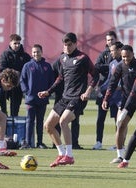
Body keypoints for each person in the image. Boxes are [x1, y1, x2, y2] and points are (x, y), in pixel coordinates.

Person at [38, 32, 99, 167]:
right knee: (48, 126)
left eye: (69, 45)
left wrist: (88, 92)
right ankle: (61, 154)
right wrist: (48, 92)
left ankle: (69, 156)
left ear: (75, 43)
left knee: (63, 121)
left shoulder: (83, 58)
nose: (67, 48)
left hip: (78, 98)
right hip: (65, 97)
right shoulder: (62, 58)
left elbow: (96, 76)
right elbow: (60, 78)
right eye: (65, 45)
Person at [20, 44, 54, 149]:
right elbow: (22, 80)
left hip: (42, 99)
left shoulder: (47, 66)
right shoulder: (27, 66)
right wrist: (26, 91)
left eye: (38, 51)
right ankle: (28, 143)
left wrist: (48, 92)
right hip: (30, 99)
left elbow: (51, 81)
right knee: (30, 121)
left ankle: (39, 142)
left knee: (40, 121)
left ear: (41, 52)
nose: (36, 54)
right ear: (32, 53)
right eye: (34, 52)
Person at [94, 41, 123, 151]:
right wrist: (100, 88)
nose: (111, 53)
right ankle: (101, 142)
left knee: (119, 121)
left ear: (119, 50)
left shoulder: (125, 62)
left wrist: (120, 86)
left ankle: (120, 144)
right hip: (113, 97)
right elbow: (110, 81)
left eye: (112, 51)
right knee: (110, 119)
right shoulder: (112, 64)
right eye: (110, 51)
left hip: (122, 97)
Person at [52, 56, 85, 150]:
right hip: (61, 96)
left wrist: (86, 91)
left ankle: (73, 145)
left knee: (71, 121)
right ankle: (58, 147)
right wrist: (50, 90)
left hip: (75, 97)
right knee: (50, 124)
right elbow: (57, 76)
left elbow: (93, 73)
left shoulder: (80, 60)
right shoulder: (60, 60)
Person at [0, 34, 31, 116]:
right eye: (15, 43)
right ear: (10, 43)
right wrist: (13, 75)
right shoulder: (4, 55)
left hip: (18, 85)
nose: (17, 45)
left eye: (18, 43)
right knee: (1, 93)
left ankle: (13, 121)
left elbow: (28, 70)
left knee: (15, 111)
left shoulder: (25, 56)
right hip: (6, 83)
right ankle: (3, 114)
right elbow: (2, 69)